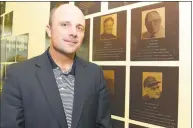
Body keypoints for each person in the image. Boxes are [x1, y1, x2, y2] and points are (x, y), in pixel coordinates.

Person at [0, 4, 112, 128]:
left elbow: (103, 124)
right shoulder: (19, 74)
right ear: (49, 30)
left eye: (79, 28)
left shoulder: (95, 73)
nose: (74, 33)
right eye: (65, 25)